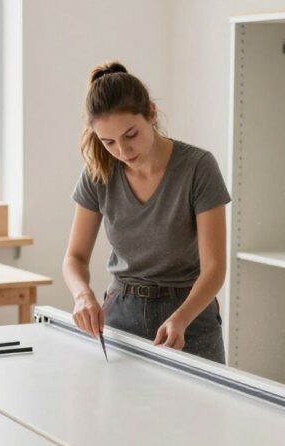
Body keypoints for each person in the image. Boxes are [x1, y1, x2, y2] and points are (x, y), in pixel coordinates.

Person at [63, 62, 230, 363]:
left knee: (199, 410)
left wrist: (181, 318)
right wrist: (82, 294)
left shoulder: (198, 167)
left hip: (190, 315)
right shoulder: (97, 173)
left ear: (151, 113)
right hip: (121, 316)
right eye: (108, 141)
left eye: (130, 135)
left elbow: (215, 268)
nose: (123, 151)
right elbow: (74, 258)